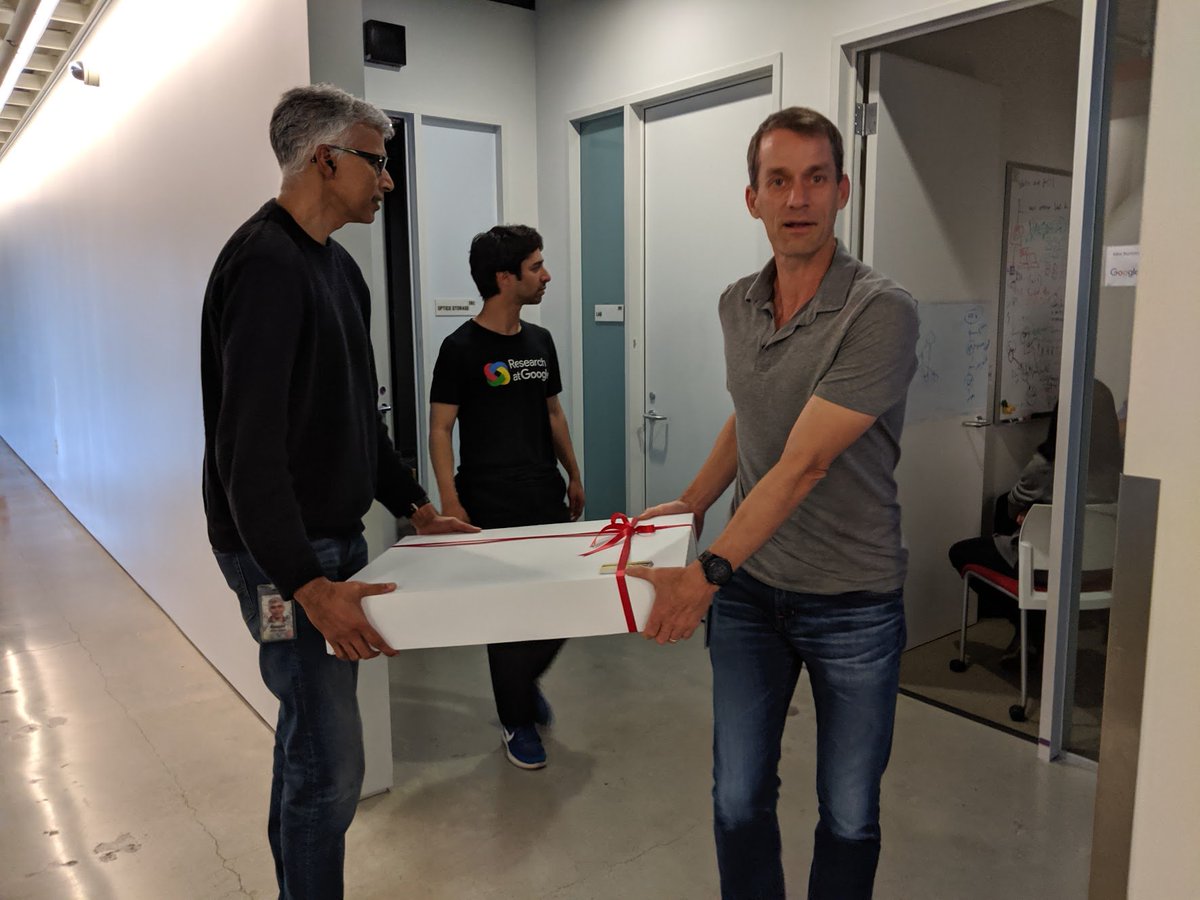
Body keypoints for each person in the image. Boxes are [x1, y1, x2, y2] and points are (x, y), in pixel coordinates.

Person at [626, 107, 918, 899]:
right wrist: (691, 503)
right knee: (736, 798)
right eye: (779, 180)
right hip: (754, 597)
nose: (798, 198)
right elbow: (752, 418)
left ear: (843, 191)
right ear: (751, 197)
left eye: (816, 178)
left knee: (850, 813)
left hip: (853, 603)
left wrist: (705, 573)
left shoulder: (879, 311)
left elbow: (804, 463)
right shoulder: (737, 304)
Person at [201, 83, 475, 899]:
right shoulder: (264, 265)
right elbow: (247, 453)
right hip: (283, 558)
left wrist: (415, 507)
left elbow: (361, 414)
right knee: (331, 767)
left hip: (328, 544)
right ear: (326, 159)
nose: (387, 182)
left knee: (309, 749)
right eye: (377, 163)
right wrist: (307, 585)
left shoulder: (339, 269)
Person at [428, 225, 584, 770]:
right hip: (488, 500)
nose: (546, 276)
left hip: (542, 492)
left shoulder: (540, 341)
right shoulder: (459, 349)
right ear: (504, 277)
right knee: (505, 615)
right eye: (536, 266)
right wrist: (450, 501)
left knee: (563, 601)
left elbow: (553, 413)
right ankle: (516, 719)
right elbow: (441, 429)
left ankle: (521, 681)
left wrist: (574, 473)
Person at [948, 380, 1123, 656]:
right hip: (1103, 569)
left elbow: (1013, 504)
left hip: (1050, 567)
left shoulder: (1049, 462)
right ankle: (1031, 628)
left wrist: (1026, 512)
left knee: (961, 550)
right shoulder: (1123, 463)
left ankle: (1028, 624)